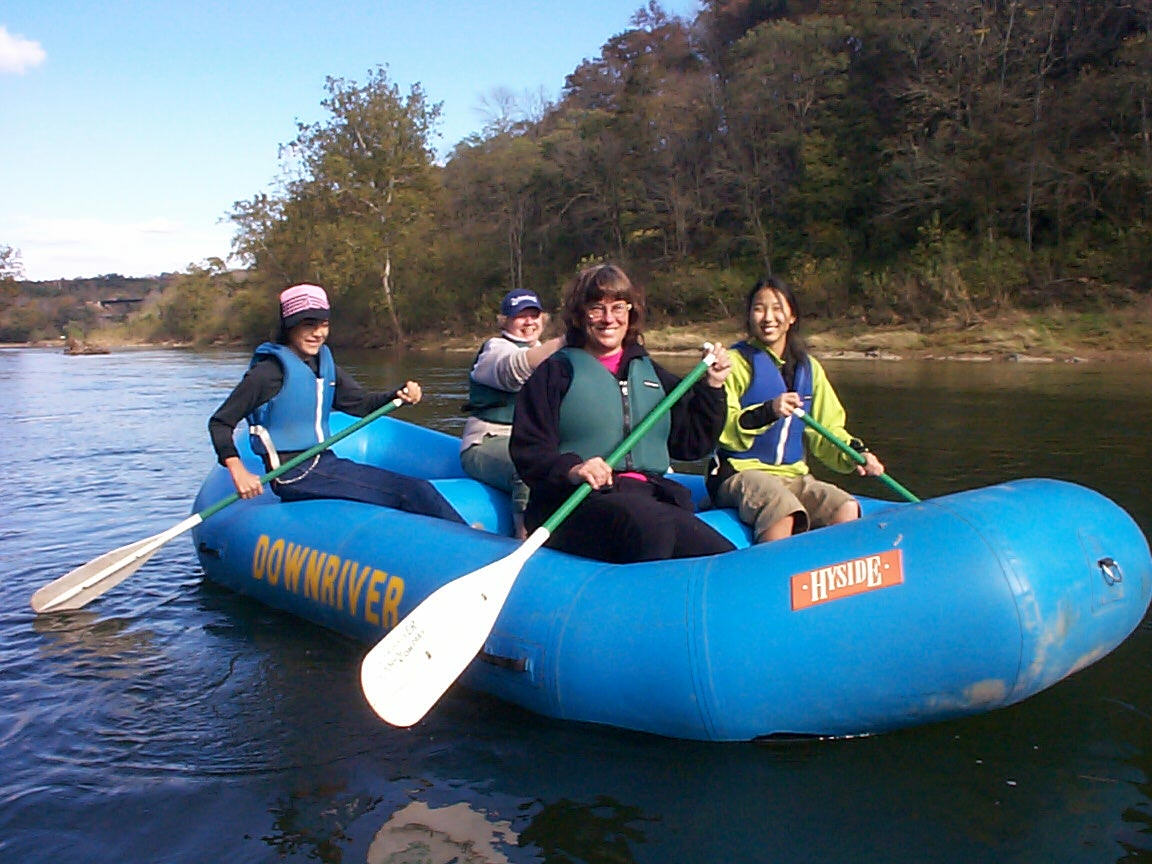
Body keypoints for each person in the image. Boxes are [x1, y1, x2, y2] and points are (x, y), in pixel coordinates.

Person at [510, 263, 736, 563]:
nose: (608, 319)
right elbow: (528, 450)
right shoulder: (555, 373)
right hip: (576, 502)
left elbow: (692, 444)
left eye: (618, 307)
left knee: (718, 554)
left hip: (647, 497)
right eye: (596, 309)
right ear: (580, 315)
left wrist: (712, 387)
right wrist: (574, 469)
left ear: (631, 312)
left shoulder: (651, 373)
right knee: (650, 524)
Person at [208, 283, 465, 524]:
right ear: (290, 326)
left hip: (324, 462)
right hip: (293, 475)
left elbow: (360, 404)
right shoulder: (268, 373)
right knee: (413, 490)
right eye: (309, 324)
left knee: (411, 488)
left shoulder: (322, 364)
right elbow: (220, 422)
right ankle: (469, 542)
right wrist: (238, 470)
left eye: (324, 324)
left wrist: (397, 395)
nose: (318, 333)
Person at [707, 276, 885, 543]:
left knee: (844, 507)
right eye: (759, 308)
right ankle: (769, 573)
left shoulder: (809, 368)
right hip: (739, 473)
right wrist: (768, 411)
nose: (768, 317)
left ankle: (826, 577)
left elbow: (828, 431)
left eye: (777, 308)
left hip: (793, 475)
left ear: (792, 316)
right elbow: (724, 429)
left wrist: (857, 453)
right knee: (782, 508)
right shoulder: (733, 363)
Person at [460, 288, 564, 539]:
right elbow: (515, 371)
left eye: (534, 315)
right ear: (505, 321)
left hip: (537, 441)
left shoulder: (555, 357)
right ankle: (523, 537)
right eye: (521, 316)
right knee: (528, 463)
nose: (529, 322)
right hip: (486, 441)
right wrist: (566, 340)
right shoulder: (494, 350)